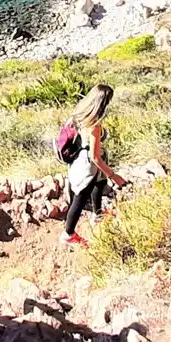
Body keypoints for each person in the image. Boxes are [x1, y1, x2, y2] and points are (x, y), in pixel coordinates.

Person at [64, 83, 128, 246]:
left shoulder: (79, 113)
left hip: (77, 158)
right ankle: (68, 234)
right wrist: (114, 176)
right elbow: (95, 157)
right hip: (86, 164)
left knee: (99, 182)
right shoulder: (94, 124)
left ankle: (97, 214)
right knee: (80, 197)